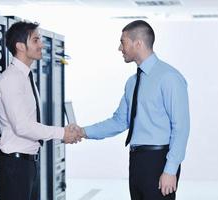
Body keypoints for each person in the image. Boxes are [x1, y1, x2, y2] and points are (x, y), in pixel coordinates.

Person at [70, 20, 190, 200]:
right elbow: (120, 121)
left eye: (123, 42)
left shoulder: (169, 77)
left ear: (138, 43)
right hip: (136, 161)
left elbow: (181, 127)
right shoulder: (132, 82)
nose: (120, 48)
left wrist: (170, 169)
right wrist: (83, 132)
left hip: (159, 160)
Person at [0, 21, 81, 200]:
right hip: (15, 165)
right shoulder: (11, 79)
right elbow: (23, 127)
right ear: (20, 46)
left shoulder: (26, 77)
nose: (41, 44)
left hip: (27, 163)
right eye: (36, 40)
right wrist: (62, 133)